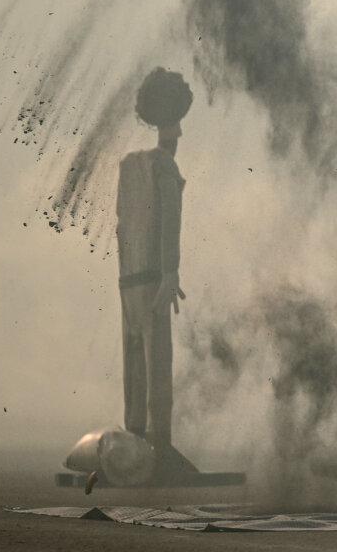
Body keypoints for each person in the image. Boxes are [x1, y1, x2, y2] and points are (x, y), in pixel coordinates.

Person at [116, 67, 193, 450]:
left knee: (133, 358)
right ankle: (158, 440)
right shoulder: (164, 166)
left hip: (127, 278)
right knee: (157, 359)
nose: (179, 134)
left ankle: (134, 433)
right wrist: (170, 272)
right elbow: (169, 222)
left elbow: (121, 225)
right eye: (177, 126)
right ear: (173, 127)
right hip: (151, 277)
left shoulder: (130, 166)